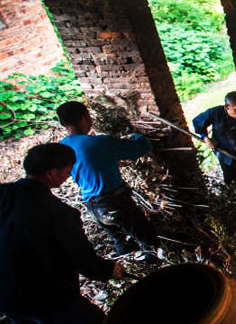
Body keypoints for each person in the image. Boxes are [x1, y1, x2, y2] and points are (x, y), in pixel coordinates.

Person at [0, 144, 124, 324]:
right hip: (43, 292)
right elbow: (81, 257)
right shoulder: (57, 213)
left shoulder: (3, 194)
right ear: (51, 173)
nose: (69, 176)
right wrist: (108, 270)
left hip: (5, 292)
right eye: (67, 171)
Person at [57, 101, 160, 255]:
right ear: (84, 118)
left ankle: (128, 270)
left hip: (92, 206)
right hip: (115, 203)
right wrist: (136, 136)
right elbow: (141, 148)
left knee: (122, 241)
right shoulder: (100, 143)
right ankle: (156, 266)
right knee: (149, 240)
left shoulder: (62, 147)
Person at [192, 91, 236, 184]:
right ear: (227, 107)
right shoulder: (216, 113)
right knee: (232, 179)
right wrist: (205, 138)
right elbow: (197, 121)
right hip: (225, 151)